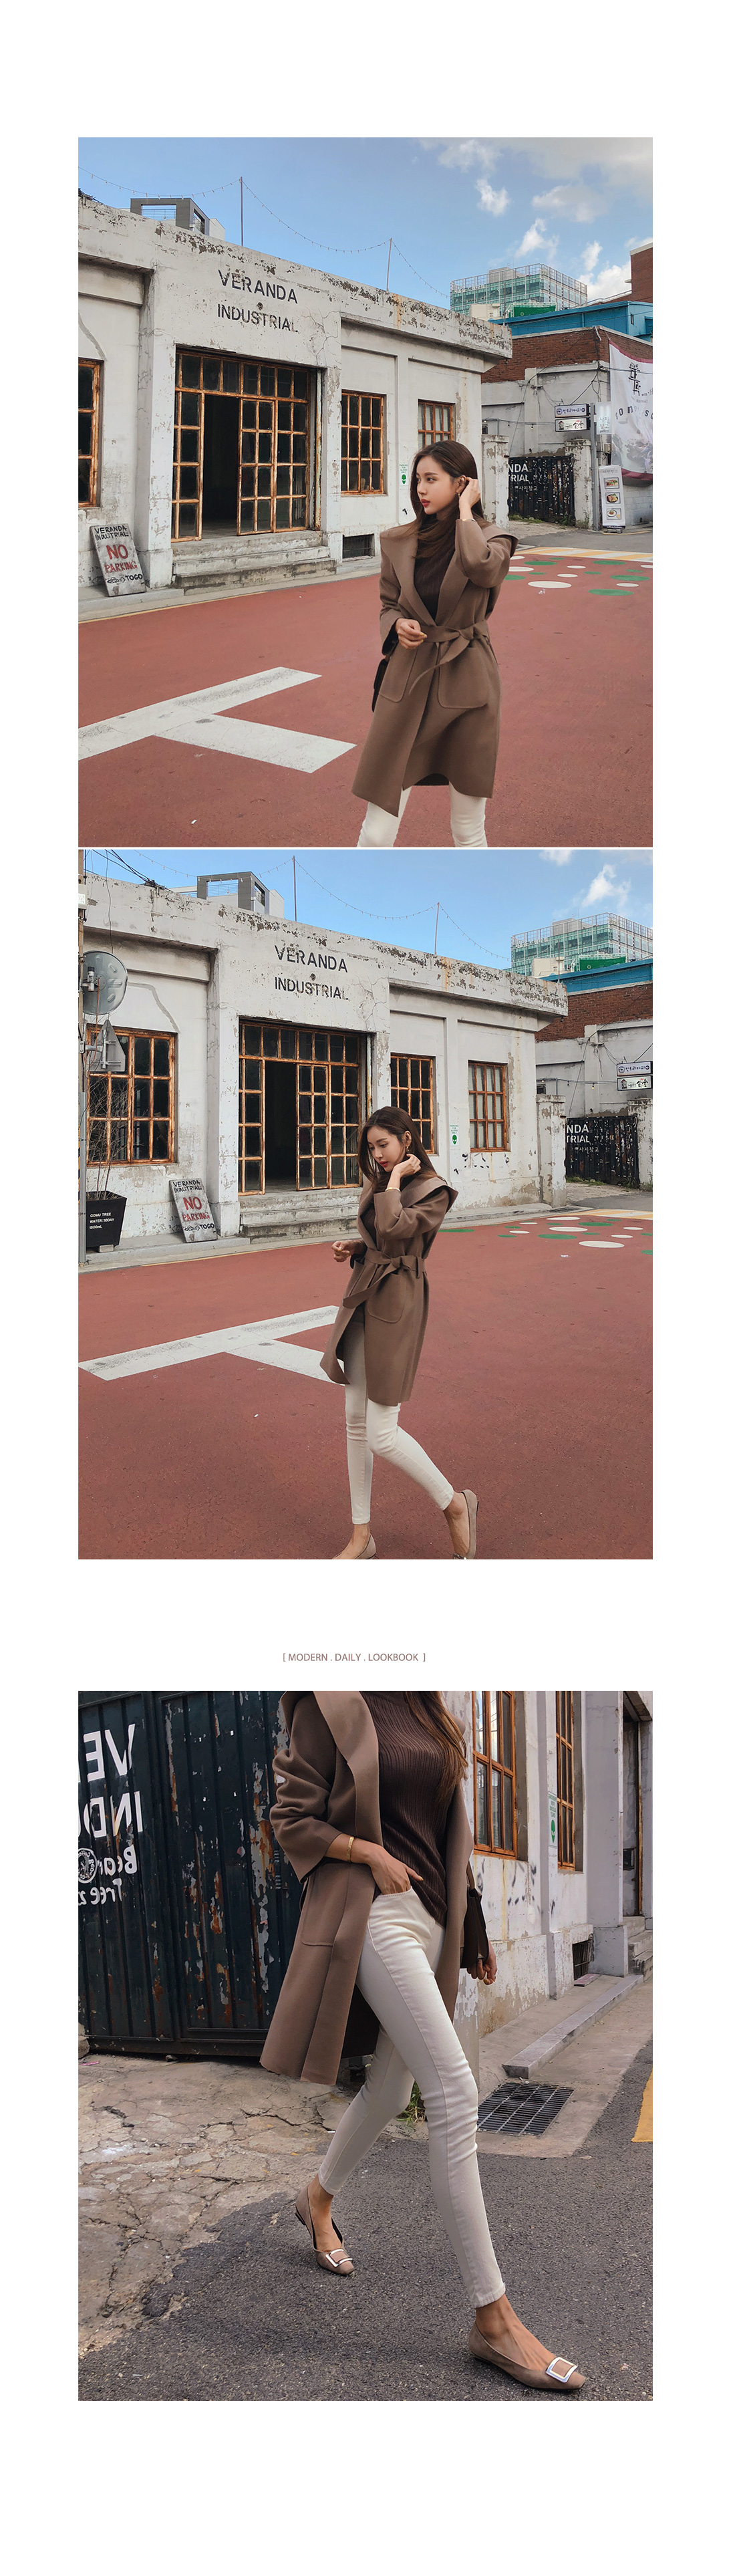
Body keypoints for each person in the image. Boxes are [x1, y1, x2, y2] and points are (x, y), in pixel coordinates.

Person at [261, 1688, 584, 2395]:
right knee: (454, 2090)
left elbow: (445, 1832)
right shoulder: (329, 1700)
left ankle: (316, 2198)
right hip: (374, 1912)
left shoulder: (429, 1709)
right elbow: (291, 1818)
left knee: (390, 2090)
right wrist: (365, 1851)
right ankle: (493, 2318)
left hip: (435, 1918)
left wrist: (472, 1927)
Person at [319, 1106, 477, 1559]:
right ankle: (361, 1535)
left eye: (383, 1144)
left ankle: (454, 1503)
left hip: (398, 1301)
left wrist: (391, 1183)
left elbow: (395, 1227)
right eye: (371, 1147)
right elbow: (381, 1236)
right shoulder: (382, 1181)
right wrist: (356, 1245)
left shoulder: (434, 1190)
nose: (377, 1154)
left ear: (407, 1140)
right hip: (365, 1293)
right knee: (354, 1419)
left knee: (382, 1434)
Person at [351, 440, 517, 849]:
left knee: (468, 829)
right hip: (408, 680)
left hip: (468, 684)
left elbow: (482, 568)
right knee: (376, 832)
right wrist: (397, 625)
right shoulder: (398, 541)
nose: (420, 489)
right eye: (417, 480)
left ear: (462, 484)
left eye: (431, 480)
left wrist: (466, 514)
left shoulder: (494, 540)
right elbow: (388, 604)